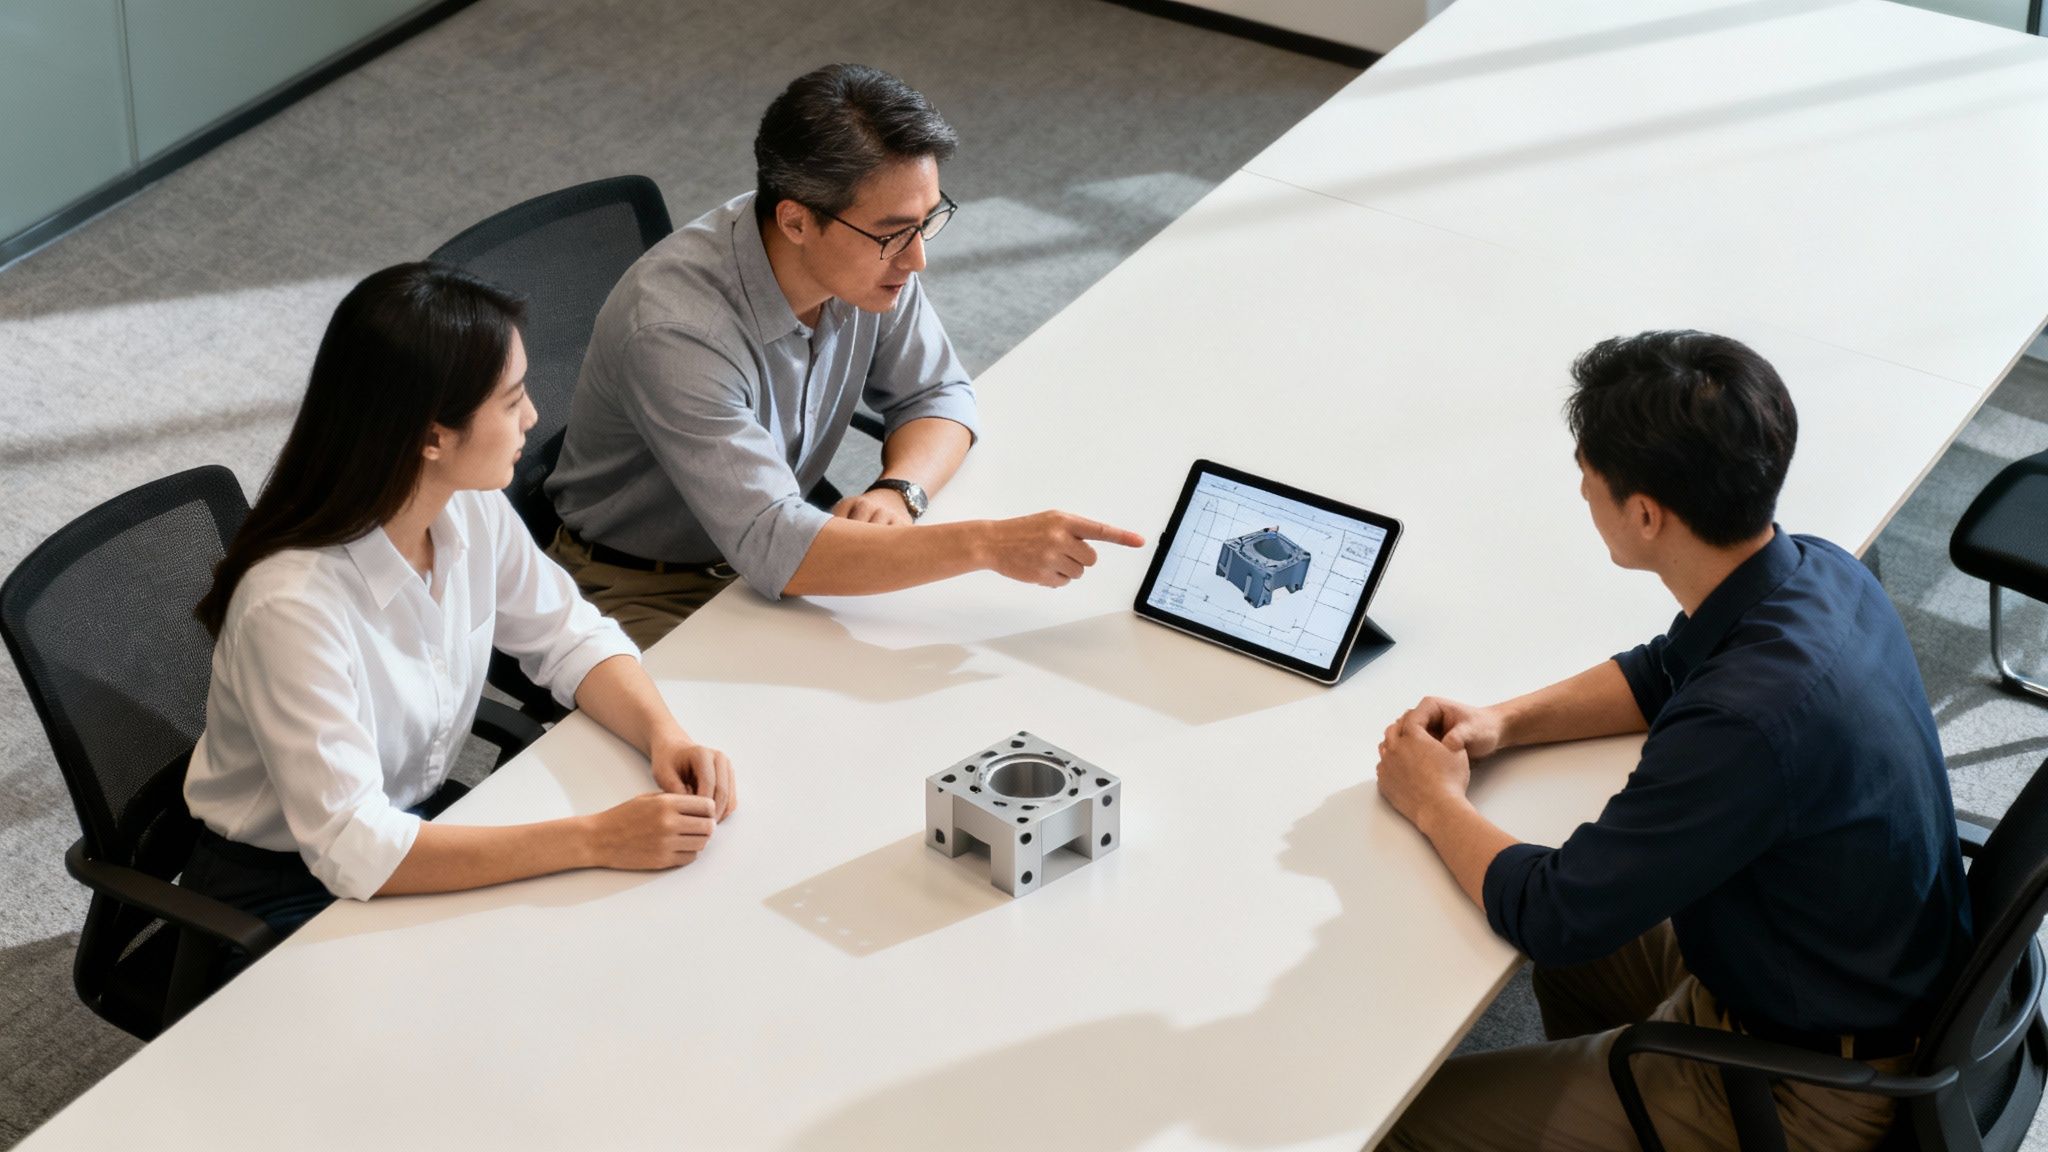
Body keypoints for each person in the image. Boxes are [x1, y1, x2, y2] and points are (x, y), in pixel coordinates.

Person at [1374, 330, 1972, 1151]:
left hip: (1804, 1088)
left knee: (1398, 1129)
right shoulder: (1824, 571)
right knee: (1571, 955)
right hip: (1824, 976)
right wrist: (1502, 721)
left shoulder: (1744, 720)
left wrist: (1432, 801)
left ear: (1646, 514)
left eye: (1588, 476)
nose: (1581, 489)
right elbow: (1664, 669)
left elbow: (1556, 912)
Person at [184, 263, 737, 942]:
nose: (533, 417)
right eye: (511, 401)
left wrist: (665, 736)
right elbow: (354, 845)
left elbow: (568, 636)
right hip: (285, 882)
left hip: (408, 824)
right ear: (431, 437)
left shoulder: (466, 505)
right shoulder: (292, 608)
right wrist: (595, 838)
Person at [544, 63, 1142, 649]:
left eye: (926, 221)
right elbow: (778, 547)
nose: (916, 259)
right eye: (893, 233)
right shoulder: (677, 329)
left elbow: (939, 394)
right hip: (642, 585)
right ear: (796, 222)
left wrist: (899, 491)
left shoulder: (867, 261)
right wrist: (988, 545)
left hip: (778, 542)